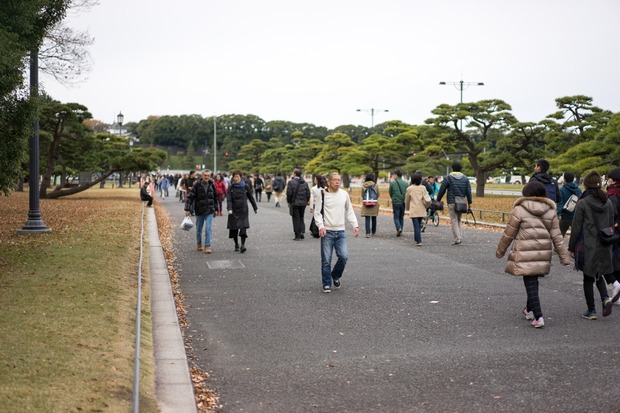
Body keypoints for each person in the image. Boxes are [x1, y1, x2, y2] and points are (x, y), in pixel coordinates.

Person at [496, 181, 571, 328]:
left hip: (524, 251)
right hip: (543, 252)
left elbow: (509, 233)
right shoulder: (550, 211)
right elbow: (557, 236)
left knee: (530, 283)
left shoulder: (520, 209)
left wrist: (500, 251)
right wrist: (564, 256)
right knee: (533, 281)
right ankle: (529, 310)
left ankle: (539, 317)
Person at [568, 170, 615, 320]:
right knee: (598, 274)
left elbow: (576, 227)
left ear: (586, 185)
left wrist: (571, 247)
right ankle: (605, 298)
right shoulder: (607, 202)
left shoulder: (582, 202)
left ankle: (591, 310)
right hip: (605, 244)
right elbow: (610, 223)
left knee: (588, 277)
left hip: (587, 244)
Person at [313, 172, 359, 293]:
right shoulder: (321, 194)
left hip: (341, 231)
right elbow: (317, 212)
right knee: (326, 260)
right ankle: (327, 283)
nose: (337, 182)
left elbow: (349, 210)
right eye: (335, 180)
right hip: (327, 231)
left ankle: (335, 275)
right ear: (329, 181)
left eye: (339, 180)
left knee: (344, 257)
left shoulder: (344, 194)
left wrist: (355, 224)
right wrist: (320, 226)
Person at [436, 161, 473, 245]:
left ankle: (458, 238)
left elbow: (442, 189)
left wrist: (438, 200)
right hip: (462, 201)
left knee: (454, 219)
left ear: (452, 168)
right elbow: (468, 191)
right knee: (459, 219)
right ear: (460, 169)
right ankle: (460, 236)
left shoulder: (448, 177)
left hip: (452, 201)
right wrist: (470, 202)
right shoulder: (465, 178)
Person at [185, 170, 218, 254]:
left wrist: (216, 209)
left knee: (208, 228)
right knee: (199, 229)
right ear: (202, 176)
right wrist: (187, 209)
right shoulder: (197, 185)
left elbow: (215, 198)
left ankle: (207, 246)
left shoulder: (212, 184)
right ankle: (199, 243)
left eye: (208, 175)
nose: (207, 177)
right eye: (205, 175)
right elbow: (190, 197)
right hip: (199, 210)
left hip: (209, 210)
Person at [226, 170, 258, 253]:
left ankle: (243, 245)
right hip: (233, 210)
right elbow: (228, 199)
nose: (236, 178)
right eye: (235, 176)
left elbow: (251, 197)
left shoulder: (245, 186)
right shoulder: (231, 187)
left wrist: (255, 207)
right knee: (234, 228)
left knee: (243, 227)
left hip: (243, 209)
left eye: (238, 176)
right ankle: (236, 244)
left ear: (240, 177)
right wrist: (229, 208)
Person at [604, 167, 620, 305]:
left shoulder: (613, 193)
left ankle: (617, 287)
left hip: (616, 232)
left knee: (613, 261)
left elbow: (611, 213)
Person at [405, 174, 431, 246]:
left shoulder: (410, 188)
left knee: (416, 225)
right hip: (422, 209)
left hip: (414, 209)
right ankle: (416, 239)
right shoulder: (423, 188)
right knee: (418, 224)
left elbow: (407, 200)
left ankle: (418, 240)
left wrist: (407, 207)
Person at [286, 169, 311, 241]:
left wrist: (289, 202)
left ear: (294, 174)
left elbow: (289, 194)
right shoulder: (305, 183)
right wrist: (306, 201)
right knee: (301, 217)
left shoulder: (291, 182)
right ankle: (302, 232)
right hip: (303, 203)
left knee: (296, 218)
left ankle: (297, 235)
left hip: (295, 203)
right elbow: (308, 194)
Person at [558, 172, 582, 237]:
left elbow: (560, 203)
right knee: (576, 234)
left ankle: (559, 247)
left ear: (565, 179)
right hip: (575, 215)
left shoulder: (562, 190)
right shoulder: (578, 189)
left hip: (565, 215)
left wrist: (559, 214)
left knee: (560, 234)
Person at [388, 170, 408, 237]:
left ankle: (398, 228)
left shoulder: (392, 183)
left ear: (396, 175)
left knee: (396, 216)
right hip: (403, 201)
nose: (393, 176)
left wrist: (393, 198)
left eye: (394, 175)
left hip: (396, 201)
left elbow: (390, 192)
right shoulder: (405, 183)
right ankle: (401, 229)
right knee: (401, 216)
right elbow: (407, 193)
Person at [360, 173, 380, 238]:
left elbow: (362, 194)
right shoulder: (375, 185)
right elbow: (378, 194)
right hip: (374, 203)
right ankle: (373, 232)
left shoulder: (363, 185)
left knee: (367, 218)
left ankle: (367, 233)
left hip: (366, 203)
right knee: (374, 218)